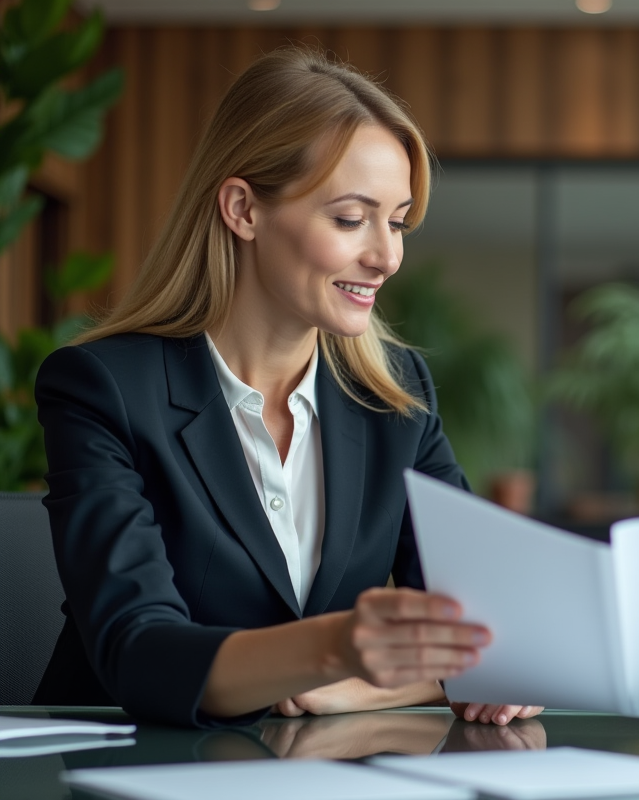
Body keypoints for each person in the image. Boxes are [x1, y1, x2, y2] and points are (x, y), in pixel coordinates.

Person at [34, 48, 540, 729]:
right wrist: (336, 651)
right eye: (350, 218)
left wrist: (364, 688)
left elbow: (492, 638)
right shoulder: (103, 388)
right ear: (243, 209)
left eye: (396, 221)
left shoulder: (395, 400)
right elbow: (140, 650)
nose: (387, 257)